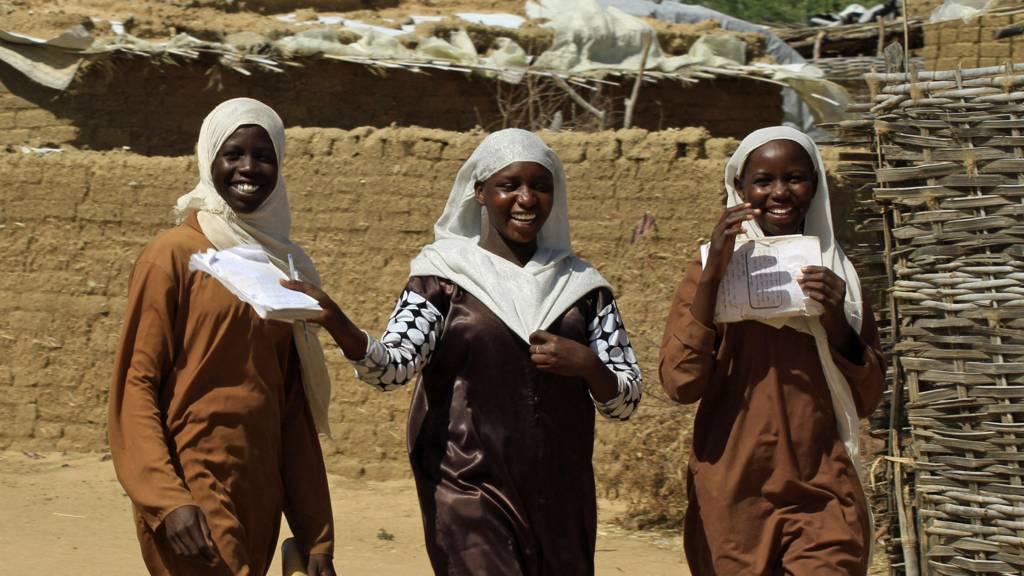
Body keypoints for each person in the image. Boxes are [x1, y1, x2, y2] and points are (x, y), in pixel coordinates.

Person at [284, 128, 642, 575]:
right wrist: (339, 323)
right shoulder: (443, 279)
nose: (526, 199)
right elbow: (392, 368)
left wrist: (588, 366)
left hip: (559, 493)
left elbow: (626, 401)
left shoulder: (582, 288)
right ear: (479, 192)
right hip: (467, 485)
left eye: (540, 186)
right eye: (509, 185)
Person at [108, 98, 336, 576]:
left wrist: (316, 535)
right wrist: (166, 499)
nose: (248, 168)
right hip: (192, 482)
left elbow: (290, 408)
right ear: (209, 158)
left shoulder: (280, 269)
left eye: (264, 155)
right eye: (233, 154)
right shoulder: (173, 256)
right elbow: (136, 384)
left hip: (259, 490)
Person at [659, 126, 884, 575]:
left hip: (823, 492)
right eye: (763, 181)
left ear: (815, 185)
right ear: (739, 188)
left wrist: (836, 320)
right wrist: (712, 279)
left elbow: (867, 399)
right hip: (734, 496)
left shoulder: (839, 276)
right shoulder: (709, 273)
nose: (780, 193)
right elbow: (680, 382)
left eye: (795, 178)